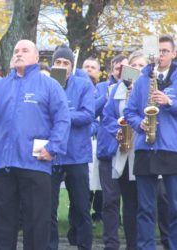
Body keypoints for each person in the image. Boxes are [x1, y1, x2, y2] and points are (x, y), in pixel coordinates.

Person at [0, 39, 71, 250]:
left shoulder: (50, 85)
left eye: (25, 50)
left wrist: (53, 148)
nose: (19, 53)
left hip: (35, 163)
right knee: (2, 226)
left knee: (36, 225)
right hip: (3, 164)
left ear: (36, 57)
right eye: (16, 50)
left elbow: (63, 119)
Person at [124, 34, 177, 250]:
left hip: (171, 148)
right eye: (158, 51)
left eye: (165, 51)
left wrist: (169, 101)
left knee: (174, 206)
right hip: (146, 147)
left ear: (174, 53)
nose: (161, 55)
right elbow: (129, 111)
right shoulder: (142, 79)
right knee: (145, 208)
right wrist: (139, 124)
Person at [49, 45, 95, 250]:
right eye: (57, 62)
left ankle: (84, 245)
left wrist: (62, 115)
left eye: (65, 63)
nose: (61, 66)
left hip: (76, 154)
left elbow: (87, 115)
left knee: (81, 207)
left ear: (71, 66)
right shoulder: (46, 84)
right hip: (51, 154)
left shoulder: (83, 85)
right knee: (48, 207)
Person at [100, 50, 147, 250]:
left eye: (141, 66)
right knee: (117, 201)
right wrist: (117, 131)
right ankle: (116, 244)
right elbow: (107, 115)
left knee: (136, 204)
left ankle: (135, 244)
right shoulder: (117, 88)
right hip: (119, 150)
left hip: (140, 150)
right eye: (133, 65)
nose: (137, 69)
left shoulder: (149, 88)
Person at [95, 54, 128, 250]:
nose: (121, 73)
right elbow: (94, 111)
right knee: (110, 200)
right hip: (109, 150)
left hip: (130, 150)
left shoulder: (137, 88)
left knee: (132, 201)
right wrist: (106, 96)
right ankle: (111, 244)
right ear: (111, 70)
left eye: (126, 69)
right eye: (118, 69)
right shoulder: (102, 88)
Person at [82, 56, 103, 224]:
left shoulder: (101, 90)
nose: (89, 70)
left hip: (98, 139)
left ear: (98, 72)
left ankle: (99, 213)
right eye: (86, 66)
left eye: (92, 67)